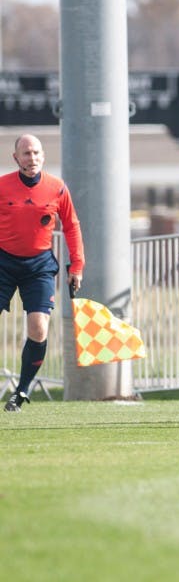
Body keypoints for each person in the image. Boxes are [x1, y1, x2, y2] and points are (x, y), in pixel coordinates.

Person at [2, 134, 84, 412]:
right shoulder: (3, 186)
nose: (32, 158)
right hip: (4, 262)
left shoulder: (57, 188)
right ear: (16, 158)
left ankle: (22, 390)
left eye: (36, 152)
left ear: (43, 156)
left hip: (38, 266)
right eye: (26, 153)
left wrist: (78, 265)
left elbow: (71, 226)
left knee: (38, 329)